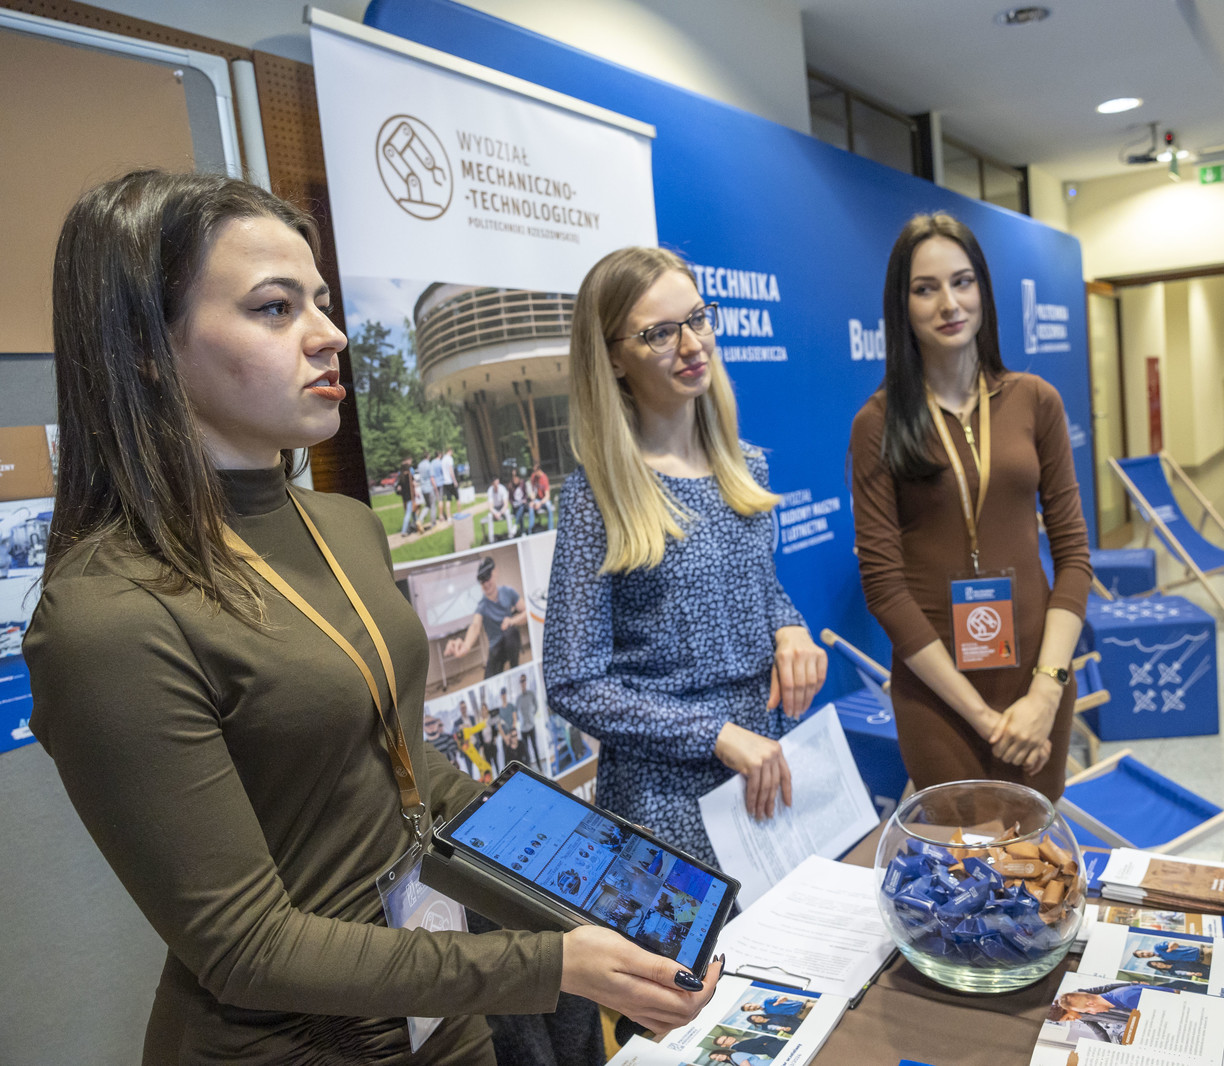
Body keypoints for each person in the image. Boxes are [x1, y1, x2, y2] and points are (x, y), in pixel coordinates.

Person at [20, 171, 719, 1064]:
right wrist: (553, 964)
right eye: (275, 308)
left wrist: (622, 879)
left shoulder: (345, 527)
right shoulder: (105, 615)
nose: (330, 335)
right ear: (146, 347)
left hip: (439, 1018)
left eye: (320, 301)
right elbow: (246, 947)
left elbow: (403, 768)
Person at [542, 246, 828, 863]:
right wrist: (714, 734)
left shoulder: (745, 466)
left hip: (763, 777)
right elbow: (573, 682)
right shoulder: (598, 495)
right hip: (664, 807)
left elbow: (755, 586)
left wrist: (789, 628)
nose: (694, 344)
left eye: (698, 319)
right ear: (613, 357)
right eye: (661, 333)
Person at [850, 213, 1093, 798]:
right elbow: (884, 588)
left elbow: (1074, 557)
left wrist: (1046, 691)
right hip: (939, 697)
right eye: (925, 289)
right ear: (902, 305)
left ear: (983, 288)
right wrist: (983, 719)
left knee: (1034, 845)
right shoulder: (877, 423)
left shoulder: (1035, 401)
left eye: (962, 282)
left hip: (1037, 678)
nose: (949, 304)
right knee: (962, 850)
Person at [444, 557, 526, 679]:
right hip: (496, 648)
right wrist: (466, 646)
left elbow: (527, 611)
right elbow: (475, 626)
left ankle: (515, 671)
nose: (486, 584)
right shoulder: (482, 605)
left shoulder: (508, 592)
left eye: (487, 578)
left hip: (510, 640)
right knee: (488, 681)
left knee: (511, 632)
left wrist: (512, 621)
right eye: (482, 581)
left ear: (495, 572)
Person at [397, 456, 418, 536]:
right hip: (410, 497)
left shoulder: (401, 477)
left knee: (413, 512)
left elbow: (399, 487)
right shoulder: (409, 476)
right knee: (409, 513)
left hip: (404, 498)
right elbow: (414, 484)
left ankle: (416, 526)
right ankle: (404, 531)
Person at [486, 476, 511, 542]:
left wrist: (500, 513)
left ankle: (510, 534)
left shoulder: (502, 489)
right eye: (495, 483)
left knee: (507, 513)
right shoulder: (490, 491)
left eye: (497, 483)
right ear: (492, 484)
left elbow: (506, 504)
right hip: (495, 509)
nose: (497, 485)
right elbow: (490, 507)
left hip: (502, 508)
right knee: (489, 516)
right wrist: (495, 513)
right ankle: (491, 539)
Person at [530, 461, 554, 530]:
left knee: (549, 507)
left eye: (535, 471)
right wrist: (533, 501)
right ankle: (531, 530)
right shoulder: (533, 477)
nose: (534, 473)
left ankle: (550, 529)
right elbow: (533, 491)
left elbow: (547, 496)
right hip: (537, 499)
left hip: (544, 500)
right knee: (530, 507)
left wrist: (540, 503)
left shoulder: (544, 478)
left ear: (539, 470)